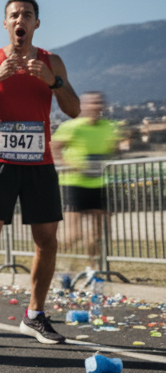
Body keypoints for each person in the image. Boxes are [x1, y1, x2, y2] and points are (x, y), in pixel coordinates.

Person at [0, 0, 80, 348]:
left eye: (26, 14)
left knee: (47, 241)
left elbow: (74, 109)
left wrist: (53, 81)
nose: (20, 19)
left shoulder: (51, 61)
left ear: (35, 24)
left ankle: (35, 315)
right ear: (6, 24)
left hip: (39, 163)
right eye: (14, 15)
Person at [53, 91, 120, 286]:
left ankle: (91, 270)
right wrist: (71, 164)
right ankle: (61, 268)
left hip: (99, 184)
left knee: (96, 234)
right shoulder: (71, 127)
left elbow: (112, 148)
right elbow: (54, 147)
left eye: (99, 103)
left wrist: (117, 148)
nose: (95, 107)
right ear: (83, 106)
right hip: (74, 183)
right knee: (72, 235)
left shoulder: (108, 127)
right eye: (91, 103)